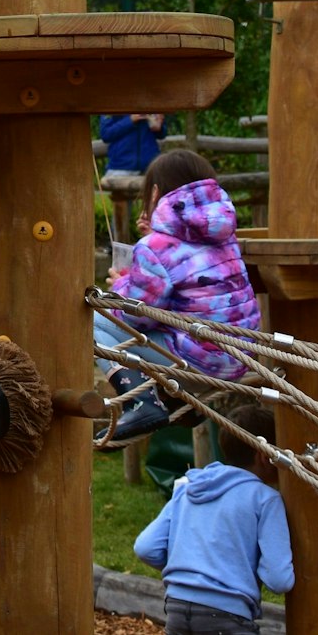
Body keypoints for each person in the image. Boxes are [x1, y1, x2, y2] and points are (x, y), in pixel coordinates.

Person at [97, 149, 261, 444]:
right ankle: (179, 401)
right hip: (241, 356)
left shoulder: (157, 246)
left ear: (156, 192)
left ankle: (140, 402)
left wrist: (120, 285)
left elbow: (137, 315)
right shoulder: (223, 235)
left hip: (201, 363)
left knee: (95, 318)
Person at [134, 406, 294, 635]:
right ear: (264, 455)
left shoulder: (188, 486)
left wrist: (193, 568)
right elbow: (279, 580)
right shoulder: (264, 499)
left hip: (177, 606)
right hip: (227, 615)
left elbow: (146, 547)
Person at [101, 112, 167, 177]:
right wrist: (130, 120)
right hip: (120, 168)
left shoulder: (152, 102)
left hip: (150, 166)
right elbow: (106, 134)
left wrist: (159, 128)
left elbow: (162, 134)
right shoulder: (110, 104)